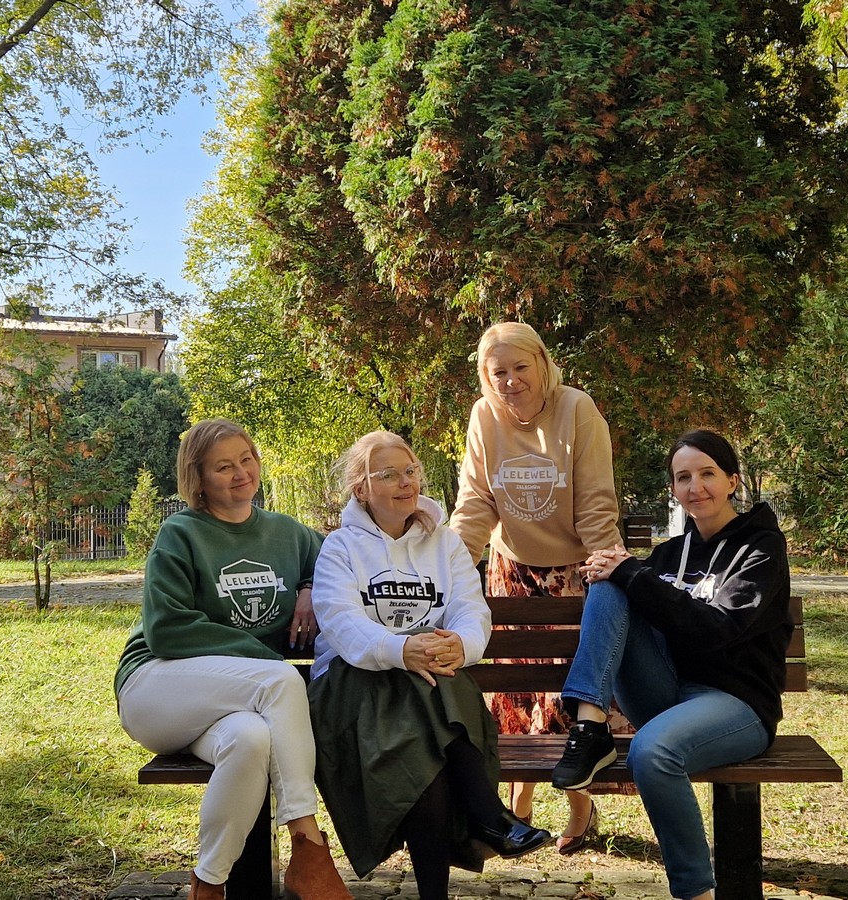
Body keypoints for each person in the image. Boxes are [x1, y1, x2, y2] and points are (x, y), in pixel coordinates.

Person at [113, 418, 351, 900]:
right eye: (224, 467)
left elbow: (340, 564)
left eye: (247, 459)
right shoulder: (180, 534)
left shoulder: (288, 533)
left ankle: (209, 883)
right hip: (156, 688)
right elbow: (166, 629)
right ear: (198, 479)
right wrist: (263, 657)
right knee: (280, 680)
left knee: (251, 740)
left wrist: (309, 586)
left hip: (230, 704)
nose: (241, 473)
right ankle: (308, 845)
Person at [549, 429, 792, 900]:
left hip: (736, 704)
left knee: (651, 752)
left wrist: (633, 573)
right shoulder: (667, 555)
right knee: (608, 580)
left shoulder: (760, 550)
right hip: (666, 693)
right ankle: (590, 727)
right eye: (683, 478)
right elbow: (630, 609)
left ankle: (695, 893)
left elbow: (719, 629)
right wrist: (621, 571)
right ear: (674, 490)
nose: (696, 487)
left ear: (732, 481)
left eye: (707, 474)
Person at [308, 431, 551, 900]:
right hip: (356, 689)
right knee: (425, 699)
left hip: (433, 694)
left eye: (411, 471)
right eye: (388, 474)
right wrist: (401, 651)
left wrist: (461, 643)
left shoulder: (446, 544)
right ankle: (490, 815)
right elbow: (341, 623)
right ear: (361, 489)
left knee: (426, 753)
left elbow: (470, 608)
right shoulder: (340, 548)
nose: (406, 482)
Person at [449, 321, 622, 852]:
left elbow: (594, 500)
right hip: (512, 570)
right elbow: (476, 501)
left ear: (543, 364)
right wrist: (449, 567)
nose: (510, 381)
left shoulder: (577, 409)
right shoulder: (484, 416)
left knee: (566, 694)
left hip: (574, 569)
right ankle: (518, 801)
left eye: (520, 367)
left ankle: (579, 804)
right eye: (497, 372)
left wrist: (608, 568)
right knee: (518, 693)